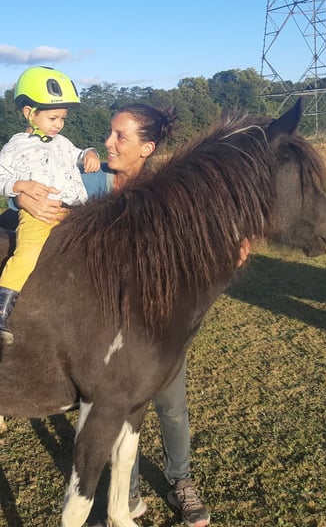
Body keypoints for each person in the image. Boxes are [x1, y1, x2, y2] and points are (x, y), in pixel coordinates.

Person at [12, 103, 211, 527]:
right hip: (106, 330)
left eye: (120, 136)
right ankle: (127, 497)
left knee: (172, 408)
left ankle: (182, 483)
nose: (108, 143)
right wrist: (20, 195)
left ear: (147, 148)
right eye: (109, 133)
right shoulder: (90, 182)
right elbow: (36, 195)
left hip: (157, 326)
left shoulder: (168, 191)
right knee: (118, 411)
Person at [0, 66, 100, 345]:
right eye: (52, 118)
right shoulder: (15, 146)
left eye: (62, 119)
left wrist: (91, 153)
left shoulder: (63, 142)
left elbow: (79, 154)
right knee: (26, 254)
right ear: (29, 113)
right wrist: (21, 186)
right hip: (38, 215)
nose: (58, 124)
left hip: (73, 212)